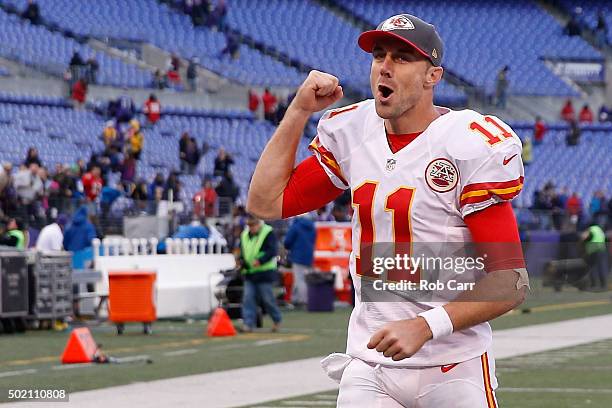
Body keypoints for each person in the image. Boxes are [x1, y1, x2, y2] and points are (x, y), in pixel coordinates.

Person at [247, 14, 528, 407]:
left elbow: (510, 282)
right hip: (370, 362)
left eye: (402, 57)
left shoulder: (466, 144)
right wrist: (298, 112)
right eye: (379, 55)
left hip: (453, 364)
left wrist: (425, 326)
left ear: (433, 76)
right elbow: (266, 202)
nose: (385, 66)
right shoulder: (354, 131)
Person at [238, 214, 282, 333]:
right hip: (250, 273)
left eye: (253, 225)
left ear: (259, 223)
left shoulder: (268, 233)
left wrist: (260, 260)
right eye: (249, 225)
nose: (251, 228)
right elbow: (242, 251)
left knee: (268, 299)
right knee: (248, 298)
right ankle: (248, 324)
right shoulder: (244, 235)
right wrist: (241, 261)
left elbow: (272, 250)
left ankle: (277, 320)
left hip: (264, 272)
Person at [283, 214, 316, 306]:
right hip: (309, 255)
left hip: (298, 256)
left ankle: (303, 300)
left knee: (299, 279)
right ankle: (295, 299)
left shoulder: (296, 226)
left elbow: (287, 241)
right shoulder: (312, 226)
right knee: (303, 279)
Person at [582, 223, 608, 290]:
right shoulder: (599, 230)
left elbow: (584, 237)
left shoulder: (590, 229)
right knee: (602, 267)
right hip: (602, 249)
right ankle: (603, 285)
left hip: (593, 250)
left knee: (592, 268)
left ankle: (594, 285)